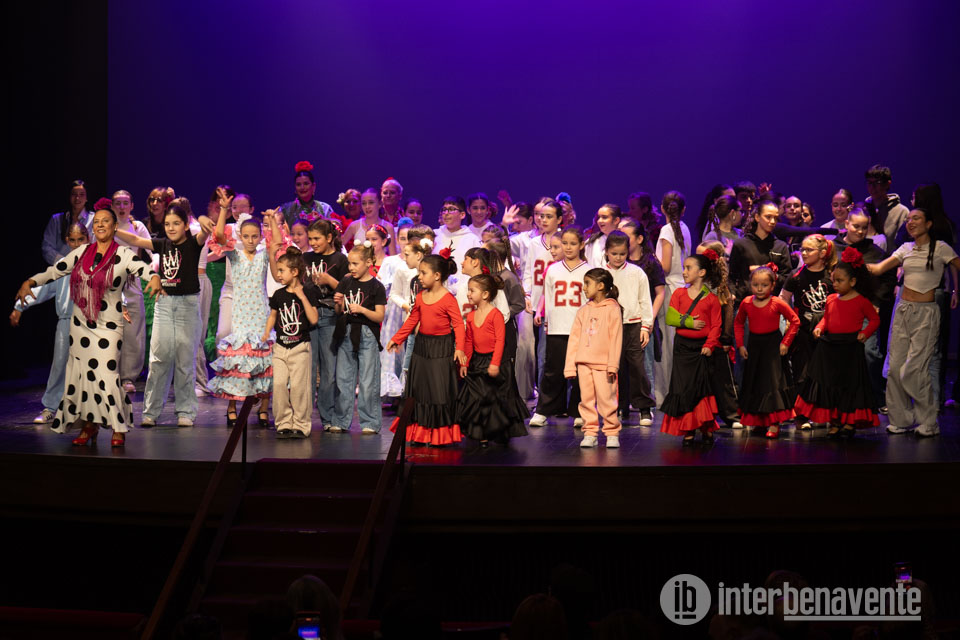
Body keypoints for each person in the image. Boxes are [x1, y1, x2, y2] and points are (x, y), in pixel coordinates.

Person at [16, 199, 161, 446]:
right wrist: (30, 282)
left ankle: (118, 426)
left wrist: (154, 276)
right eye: (98, 222)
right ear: (93, 228)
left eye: (107, 221)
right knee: (83, 378)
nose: (101, 225)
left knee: (107, 375)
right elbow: (54, 271)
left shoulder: (123, 255)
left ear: (114, 227)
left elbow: (141, 268)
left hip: (109, 326)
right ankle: (89, 425)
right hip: (81, 325)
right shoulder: (81, 253)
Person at [116, 200, 214, 427]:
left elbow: (205, 231)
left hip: (188, 305)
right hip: (165, 305)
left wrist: (201, 218)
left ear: (185, 226)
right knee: (159, 359)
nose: (171, 228)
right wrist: (114, 229)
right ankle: (151, 412)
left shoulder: (193, 243)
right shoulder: (162, 244)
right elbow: (135, 240)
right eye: (168, 224)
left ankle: (185, 411)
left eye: (176, 223)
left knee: (184, 360)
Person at [868, 209, 960, 437]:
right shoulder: (905, 248)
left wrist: (956, 290)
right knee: (895, 368)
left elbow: (956, 264)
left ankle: (929, 421)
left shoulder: (940, 248)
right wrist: (853, 261)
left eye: (916, 218)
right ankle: (901, 419)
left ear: (928, 224)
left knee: (914, 369)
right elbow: (879, 268)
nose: (910, 222)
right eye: (908, 219)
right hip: (902, 312)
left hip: (926, 313)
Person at [795, 248, 881, 438]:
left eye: (839, 281)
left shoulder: (860, 301)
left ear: (853, 281)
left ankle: (849, 422)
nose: (835, 284)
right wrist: (820, 327)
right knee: (830, 385)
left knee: (849, 386)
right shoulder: (831, 299)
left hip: (850, 347)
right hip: (831, 347)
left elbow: (875, 320)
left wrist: (865, 333)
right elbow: (827, 318)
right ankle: (835, 421)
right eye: (833, 280)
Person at [207, 189, 273, 428]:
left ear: (260, 236)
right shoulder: (234, 254)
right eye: (246, 236)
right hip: (241, 312)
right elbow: (218, 236)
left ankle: (263, 408)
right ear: (240, 237)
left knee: (263, 357)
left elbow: (276, 244)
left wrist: (273, 222)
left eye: (255, 236)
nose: (251, 240)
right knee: (238, 358)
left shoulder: (264, 254)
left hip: (260, 310)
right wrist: (224, 209)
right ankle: (233, 406)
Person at [11, 222, 88, 424]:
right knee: (60, 364)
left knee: (90, 367)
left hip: (90, 323)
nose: (77, 244)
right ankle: (51, 407)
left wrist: (123, 305)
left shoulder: (95, 262)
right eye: (73, 240)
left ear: (88, 239)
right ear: (67, 241)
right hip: (66, 321)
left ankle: (91, 411)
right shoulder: (62, 265)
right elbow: (43, 288)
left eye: (81, 239)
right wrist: (19, 307)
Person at [386, 252, 467, 446]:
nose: (419, 276)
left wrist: (459, 348)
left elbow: (458, 324)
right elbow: (413, 319)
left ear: (437, 275)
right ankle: (419, 433)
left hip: (441, 349)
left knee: (438, 391)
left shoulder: (448, 299)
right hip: (422, 348)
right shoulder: (421, 297)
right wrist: (397, 338)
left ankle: (439, 434)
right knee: (419, 390)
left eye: (423, 273)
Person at [456, 273, 529, 446]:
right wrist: (465, 363)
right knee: (479, 398)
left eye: (472, 291)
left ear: (485, 294)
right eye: (468, 290)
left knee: (497, 399)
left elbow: (500, 341)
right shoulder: (471, 316)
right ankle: (482, 433)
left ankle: (500, 432)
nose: (468, 294)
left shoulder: (495, 314)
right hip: (478, 362)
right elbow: (469, 341)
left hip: (497, 361)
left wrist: (495, 363)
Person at [659, 254, 723, 445]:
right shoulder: (679, 294)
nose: (684, 272)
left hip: (701, 349)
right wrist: (689, 322)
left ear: (701, 272)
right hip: (682, 348)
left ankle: (705, 426)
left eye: (688, 268)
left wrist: (709, 345)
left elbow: (716, 326)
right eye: (684, 268)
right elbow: (670, 318)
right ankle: (688, 428)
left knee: (701, 389)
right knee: (684, 388)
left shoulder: (711, 299)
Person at [529, 227, 589, 427]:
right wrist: (545, 318)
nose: (568, 247)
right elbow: (547, 297)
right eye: (565, 243)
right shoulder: (553, 270)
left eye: (573, 244)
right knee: (553, 371)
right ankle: (544, 410)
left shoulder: (588, 270)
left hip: (580, 329)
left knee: (580, 372)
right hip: (556, 328)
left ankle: (579, 411)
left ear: (581, 245)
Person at [734, 266, 801, 438]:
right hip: (754, 346)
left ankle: (773, 422)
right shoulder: (747, 302)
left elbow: (795, 321)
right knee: (756, 382)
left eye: (764, 285)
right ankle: (759, 420)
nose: (759, 289)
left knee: (772, 383)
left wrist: (786, 342)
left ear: (772, 286)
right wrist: (740, 345)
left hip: (772, 346)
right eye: (755, 285)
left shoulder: (777, 302)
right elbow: (738, 322)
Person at [780, 234, 836, 429]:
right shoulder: (796, 276)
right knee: (802, 373)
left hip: (827, 331)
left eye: (809, 250)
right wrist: (789, 321)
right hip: (803, 332)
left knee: (825, 372)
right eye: (802, 249)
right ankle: (801, 415)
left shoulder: (831, 276)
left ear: (822, 253)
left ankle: (827, 413)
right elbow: (783, 299)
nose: (803, 253)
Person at [265, 245, 320, 438]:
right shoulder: (279, 295)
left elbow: (314, 319)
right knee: (279, 385)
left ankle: (301, 424)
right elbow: (273, 316)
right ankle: (283, 423)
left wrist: (302, 297)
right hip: (281, 347)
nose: (278, 274)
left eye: (282, 270)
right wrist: (266, 332)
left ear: (295, 272)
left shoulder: (309, 292)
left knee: (299, 387)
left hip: (300, 347)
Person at [330, 243, 387, 434]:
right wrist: (339, 303)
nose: (351, 268)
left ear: (369, 262)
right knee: (343, 378)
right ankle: (341, 420)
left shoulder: (376, 286)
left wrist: (362, 310)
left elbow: (379, 316)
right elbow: (339, 311)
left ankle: (370, 421)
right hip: (346, 332)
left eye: (355, 264)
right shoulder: (346, 282)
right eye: (349, 264)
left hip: (367, 334)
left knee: (368, 380)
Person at [564, 268, 623, 448]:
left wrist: (613, 365)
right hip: (584, 363)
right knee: (586, 400)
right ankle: (590, 432)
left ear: (600, 286)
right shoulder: (583, 311)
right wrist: (570, 366)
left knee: (607, 400)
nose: (584, 288)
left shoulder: (613, 309)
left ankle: (611, 432)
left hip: (604, 364)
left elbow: (616, 339)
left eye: (587, 283)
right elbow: (574, 339)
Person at [603, 231, 653, 425]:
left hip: (633, 325)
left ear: (628, 252)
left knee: (637, 367)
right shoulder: (600, 272)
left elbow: (645, 301)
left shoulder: (636, 272)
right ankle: (617, 406)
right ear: (607, 252)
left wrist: (645, 327)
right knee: (614, 368)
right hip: (609, 327)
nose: (618, 258)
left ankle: (644, 408)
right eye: (614, 253)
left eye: (622, 254)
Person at [302, 219, 348, 425]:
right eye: (310, 238)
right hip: (309, 315)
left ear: (329, 238)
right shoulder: (306, 258)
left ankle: (327, 416)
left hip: (330, 316)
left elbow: (348, 290)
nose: (313, 243)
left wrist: (330, 280)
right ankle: (303, 416)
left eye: (317, 238)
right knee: (308, 369)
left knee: (329, 370)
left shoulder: (340, 259)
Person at [620, 219, 666, 410]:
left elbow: (660, 293)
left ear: (639, 239)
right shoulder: (619, 263)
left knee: (644, 365)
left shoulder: (650, 263)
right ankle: (623, 404)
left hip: (643, 320)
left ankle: (647, 405)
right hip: (623, 320)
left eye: (626, 237)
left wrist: (650, 318)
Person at [654, 190, 692, 407]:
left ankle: (666, 395)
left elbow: (666, 266)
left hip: (669, 291)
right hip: (683, 288)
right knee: (675, 343)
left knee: (667, 346)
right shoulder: (684, 228)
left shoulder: (667, 230)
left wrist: (651, 260)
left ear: (662, 209)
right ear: (683, 210)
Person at [111, 189, 151, 392]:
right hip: (110, 282)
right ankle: (110, 374)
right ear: (112, 206)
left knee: (133, 330)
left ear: (132, 206)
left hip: (132, 281)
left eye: (125, 202)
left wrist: (154, 266)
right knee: (111, 329)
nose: (122, 207)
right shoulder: (105, 225)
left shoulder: (137, 226)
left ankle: (128, 377)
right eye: (118, 203)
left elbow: (152, 250)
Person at [729, 200, 792, 302]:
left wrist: (768, 272)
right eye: (768, 217)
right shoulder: (741, 244)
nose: (773, 221)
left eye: (775, 218)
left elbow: (787, 278)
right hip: (745, 302)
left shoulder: (781, 246)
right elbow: (732, 275)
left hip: (772, 304)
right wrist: (732, 294)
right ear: (757, 217)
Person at [433, 196, 481, 294]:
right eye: (444, 210)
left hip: (462, 292)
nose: (446, 213)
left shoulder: (472, 239)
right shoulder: (435, 235)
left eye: (451, 209)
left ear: (462, 214)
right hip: (436, 290)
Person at [41, 180, 93, 265]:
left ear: (87, 198)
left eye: (81, 194)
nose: (77, 198)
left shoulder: (94, 219)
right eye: (74, 194)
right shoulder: (56, 220)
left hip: (86, 267)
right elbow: (46, 247)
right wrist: (65, 263)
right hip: (61, 268)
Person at [864, 164, 910, 250]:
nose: (872, 187)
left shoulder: (902, 212)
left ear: (887, 184)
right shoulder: (863, 209)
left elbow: (904, 245)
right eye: (870, 183)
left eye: (877, 183)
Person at [279, 160, 334, 228]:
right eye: (298, 184)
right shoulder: (285, 209)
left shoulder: (325, 209)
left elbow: (334, 229)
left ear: (313, 186)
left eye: (306, 184)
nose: (302, 187)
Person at [343, 188, 396, 254]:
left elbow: (393, 255)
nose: (367, 207)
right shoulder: (354, 226)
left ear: (380, 204)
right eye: (364, 203)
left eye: (371, 202)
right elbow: (339, 246)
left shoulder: (388, 227)